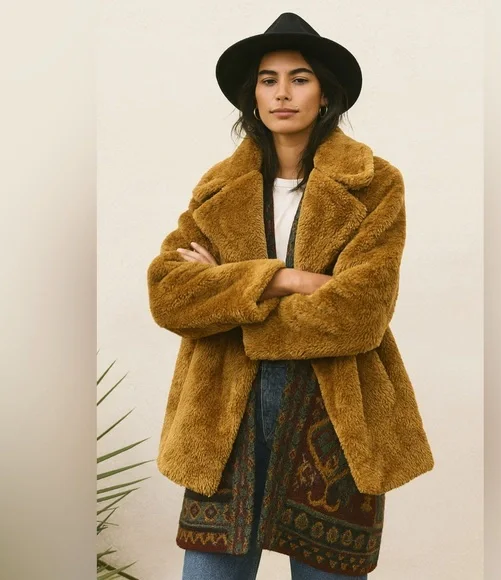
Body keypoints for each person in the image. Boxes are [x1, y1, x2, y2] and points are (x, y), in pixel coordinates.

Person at [147, 12, 435, 580]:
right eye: (268, 79)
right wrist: (286, 279)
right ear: (252, 96)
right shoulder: (218, 187)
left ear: (324, 93)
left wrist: (229, 295)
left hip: (332, 414)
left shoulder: (375, 183)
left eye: (300, 78)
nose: (282, 93)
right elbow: (169, 295)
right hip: (224, 416)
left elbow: (358, 315)